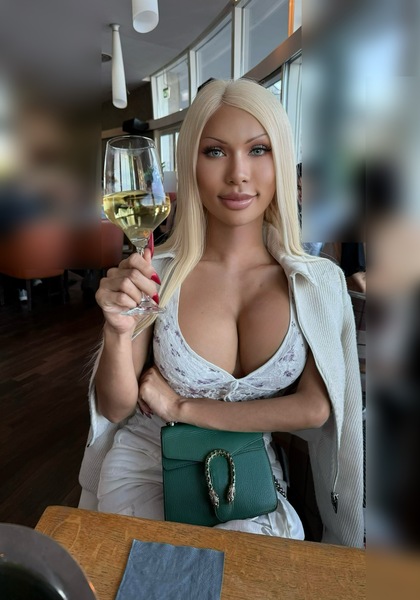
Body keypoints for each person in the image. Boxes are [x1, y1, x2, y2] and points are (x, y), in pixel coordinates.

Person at [78, 79, 364, 547]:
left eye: (258, 150)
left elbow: (315, 408)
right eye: (215, 152)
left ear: (281, 160)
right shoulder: (160, 272)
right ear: (191, 165)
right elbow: (117, 407)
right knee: (161, 567)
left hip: (246, 467)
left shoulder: (318, 284)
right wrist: (115, 330)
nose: (238, 174)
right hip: (150, 463)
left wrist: (182, 407)